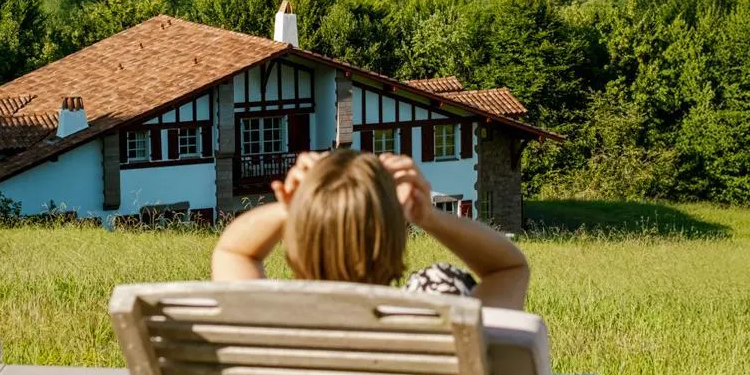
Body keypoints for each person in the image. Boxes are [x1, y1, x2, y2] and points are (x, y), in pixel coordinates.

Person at [210, 149, 529, 310]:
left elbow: (235, 251)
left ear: (297, 237)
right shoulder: (441, 313)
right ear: (396, 237)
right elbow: (508, 269)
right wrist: (428, 216)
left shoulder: (263, 324)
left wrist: (295, 207)